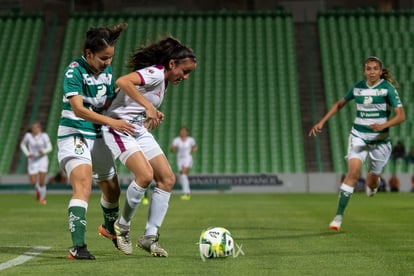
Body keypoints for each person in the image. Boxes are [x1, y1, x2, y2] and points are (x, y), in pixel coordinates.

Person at [103, 36, 197, 257]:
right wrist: (147, 107)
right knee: (145, 175)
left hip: (136, 129)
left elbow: (134, 103)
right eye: (184, 71)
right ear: (171, 64)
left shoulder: (162, 81)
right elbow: (122, 82)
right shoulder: (155, 73)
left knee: (167, 179)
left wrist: (150, 114)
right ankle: (122, 227)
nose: (185, 77)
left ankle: (149, 236)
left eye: (189, 74)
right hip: (118, 128)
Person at [57, 23, 135, 260]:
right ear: (88, 54)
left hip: (98, 135)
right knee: (82, 185)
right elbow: (79, 110)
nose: (107, 62)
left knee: (112, 190)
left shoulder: (107, 72)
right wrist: (112, 123)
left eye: (111, 58)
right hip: (75, 134)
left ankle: (108, 229)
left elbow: (109, 102)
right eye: (103, 58)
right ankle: (77, 247)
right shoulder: (74, 71)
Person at [309, 56, 405, 231]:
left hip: (380, 141)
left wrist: (383, 125)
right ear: (364, 71)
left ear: (380, 71)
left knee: (372, 181)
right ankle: (338, 217)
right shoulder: (358, 88)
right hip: (358, 136)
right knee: (352, 172)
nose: (372, 72)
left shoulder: (387, 89)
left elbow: (401, 116)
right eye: (368, 68)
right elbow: (340, 104)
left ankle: (373, 186)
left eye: (375, 68)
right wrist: (322, 121)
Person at [20, 122, 52, 204]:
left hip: (42, 160)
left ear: (40, 129)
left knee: (41, 181)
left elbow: (50, 147)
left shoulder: (44, 136)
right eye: (33, 128)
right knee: (33, 182)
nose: (34, 129)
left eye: (36, 128)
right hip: (32, 160)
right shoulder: (28, 136)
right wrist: (27, 154)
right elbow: (22, 145)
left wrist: (43, 151)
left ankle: (42, 198)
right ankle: (38, 191)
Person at [170, 126, 198, 200]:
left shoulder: (190, 140)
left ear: (187, 132)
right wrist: (173, 148)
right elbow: (172, 149)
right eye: (182, 131)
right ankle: (186, 192)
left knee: (183, 174)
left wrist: (193, 150)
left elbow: (195, 147)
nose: (183, 132)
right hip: (179, 159)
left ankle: (187, 193)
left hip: (187, 158)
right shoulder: (176, 140)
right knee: (182, 175)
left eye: (184, 131)